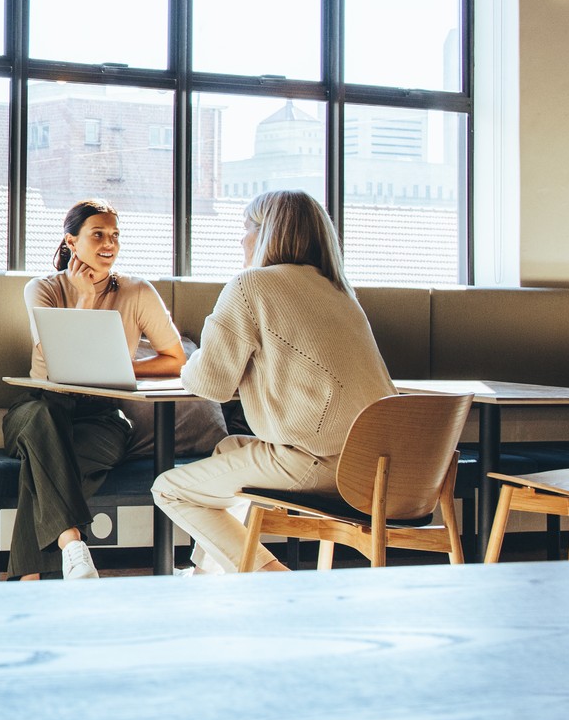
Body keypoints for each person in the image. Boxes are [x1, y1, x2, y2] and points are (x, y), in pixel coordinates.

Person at [153, 190, 393, 574]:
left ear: (267, 234)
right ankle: (207, 578)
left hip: (318, 462)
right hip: (377, 466)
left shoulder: (251, 286)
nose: (241, 239)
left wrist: (185, 358)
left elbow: (208, 383)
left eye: (247, 228)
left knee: (169, 489)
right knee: (228, 449)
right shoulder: (340, 293)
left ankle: (271, 577)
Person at [4, 199, 186, 581]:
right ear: (71, 242)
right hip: (38, 407)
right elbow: (60, 362)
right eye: (98, 234)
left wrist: (123, 367)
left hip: (102, 418)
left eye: (115, 235)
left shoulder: (138, 292)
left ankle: (31, 580)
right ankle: (73, 546)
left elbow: (176, 358)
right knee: (44, 423)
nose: (110, 244)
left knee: (42, 468)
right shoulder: (42, 290)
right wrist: (85, 298)